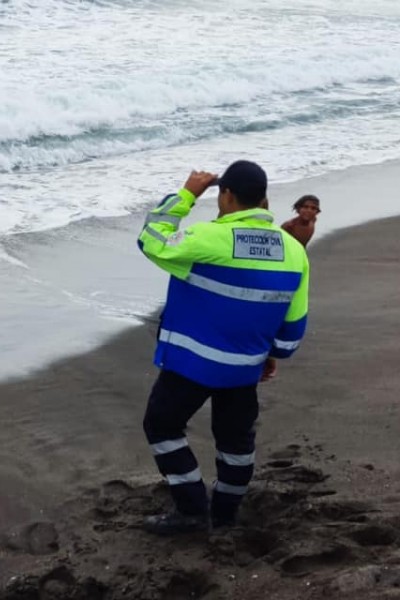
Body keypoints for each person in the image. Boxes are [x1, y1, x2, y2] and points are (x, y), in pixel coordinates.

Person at [137, 160, 309, 535]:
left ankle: (192, 509)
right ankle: (227, 514)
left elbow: (151, 238)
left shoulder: (208, 239)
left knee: (162, 426)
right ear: (264, 199)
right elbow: (292, 332)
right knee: (235, 442)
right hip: (246, 368)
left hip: (190, 366)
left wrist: (187, 194)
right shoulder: (294, 251)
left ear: (226, 195)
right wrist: (270, 355)